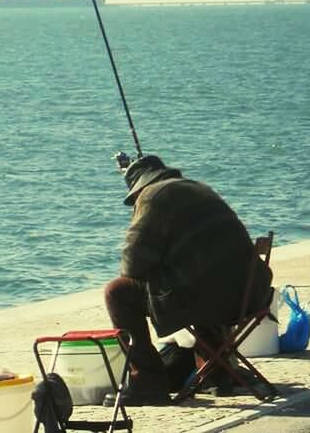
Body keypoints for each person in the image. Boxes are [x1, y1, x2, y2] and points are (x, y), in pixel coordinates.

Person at [103, 154, 272, 406]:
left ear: (138, 188)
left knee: (116, 292)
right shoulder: (200, 189)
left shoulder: (153, 197)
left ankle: (147, 381)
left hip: (210, 301)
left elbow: (132, 266)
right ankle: (218, 373)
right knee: (199, 277)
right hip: (249, 296)